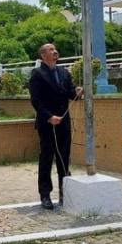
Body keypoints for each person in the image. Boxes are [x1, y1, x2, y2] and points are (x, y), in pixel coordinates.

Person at [29, 43, 83, 210]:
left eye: (55, 49)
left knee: (64, 158)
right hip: (48, 123)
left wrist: (77, 92)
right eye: (51, 50)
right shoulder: (37, 74)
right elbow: (35, 100)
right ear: (43, 56)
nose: (55, 52)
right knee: (47, 158)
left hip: (64, 122)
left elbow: (69, 93)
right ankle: (45, 195)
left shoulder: (64, 72)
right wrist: (49, 117)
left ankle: (65, 193)